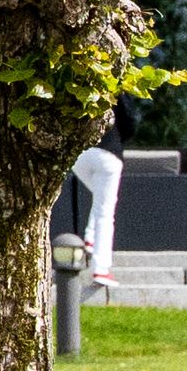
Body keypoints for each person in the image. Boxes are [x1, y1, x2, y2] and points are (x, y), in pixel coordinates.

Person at [51, 127, 126, 357]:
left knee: (101, 200)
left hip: (81, 154)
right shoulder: (119, 93)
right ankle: (101, 267)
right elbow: (130, 119)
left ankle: (91, 239)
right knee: (106, 209)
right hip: (109, 153)